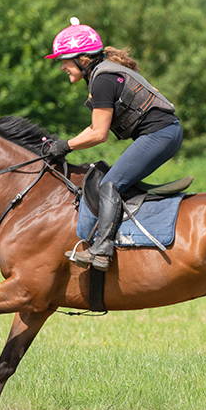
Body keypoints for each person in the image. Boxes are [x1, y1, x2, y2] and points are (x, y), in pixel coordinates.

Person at [45, 18, 183, 271]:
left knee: (110, 184)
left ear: (82, 58)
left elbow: (98, 134)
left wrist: (66, 146)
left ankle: (102, 249)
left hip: (161, 134)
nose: (62, 66)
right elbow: (94, 128)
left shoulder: (103, 80)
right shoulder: (102, 75)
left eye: (64, 60)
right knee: (112, 180)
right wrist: (64, 143)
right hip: (163, 133)